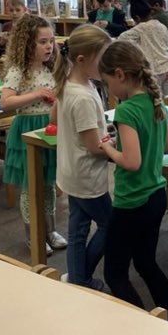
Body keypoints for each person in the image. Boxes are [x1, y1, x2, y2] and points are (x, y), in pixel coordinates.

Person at [98, 39, 168, 323]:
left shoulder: (126, 111)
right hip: (156, 196)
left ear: (120, 74)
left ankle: (145, 328)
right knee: (146, 263)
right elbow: (167, 147)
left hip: (131, 201)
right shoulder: (155, 101)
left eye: (107, 83)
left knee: (114, 274)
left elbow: (131, 162)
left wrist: (108, 146)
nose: (109, 89)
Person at [53, 24, 113, 289]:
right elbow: (94, 148)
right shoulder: (84, 96)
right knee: (110, 225)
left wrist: (102, 129)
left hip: (70, 172)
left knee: (77, 229)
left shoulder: (71, 83)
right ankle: (82, 278)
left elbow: (57, 119)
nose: (109, 65)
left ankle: (77, 278)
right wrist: (117, 149)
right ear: (82, 60)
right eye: (103, 59)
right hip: (87, 177)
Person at [0, 14, 66, 255]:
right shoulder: (19, 71)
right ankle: (33, 236)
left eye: (51, 41)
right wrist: (36, 94)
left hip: (49, 129)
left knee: (48, 184)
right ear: (28, 44)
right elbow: (5, 103)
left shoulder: (53, 67)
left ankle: (50, 230)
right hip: (27, 130)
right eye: (42, 42)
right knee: (31, 187)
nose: (49, 46)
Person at [119, 0, 168, 99]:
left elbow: (122, 39)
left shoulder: (138, 29)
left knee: (154, 103)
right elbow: (167, 45)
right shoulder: (161, 26)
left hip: (154, 71)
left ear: (137, 18)